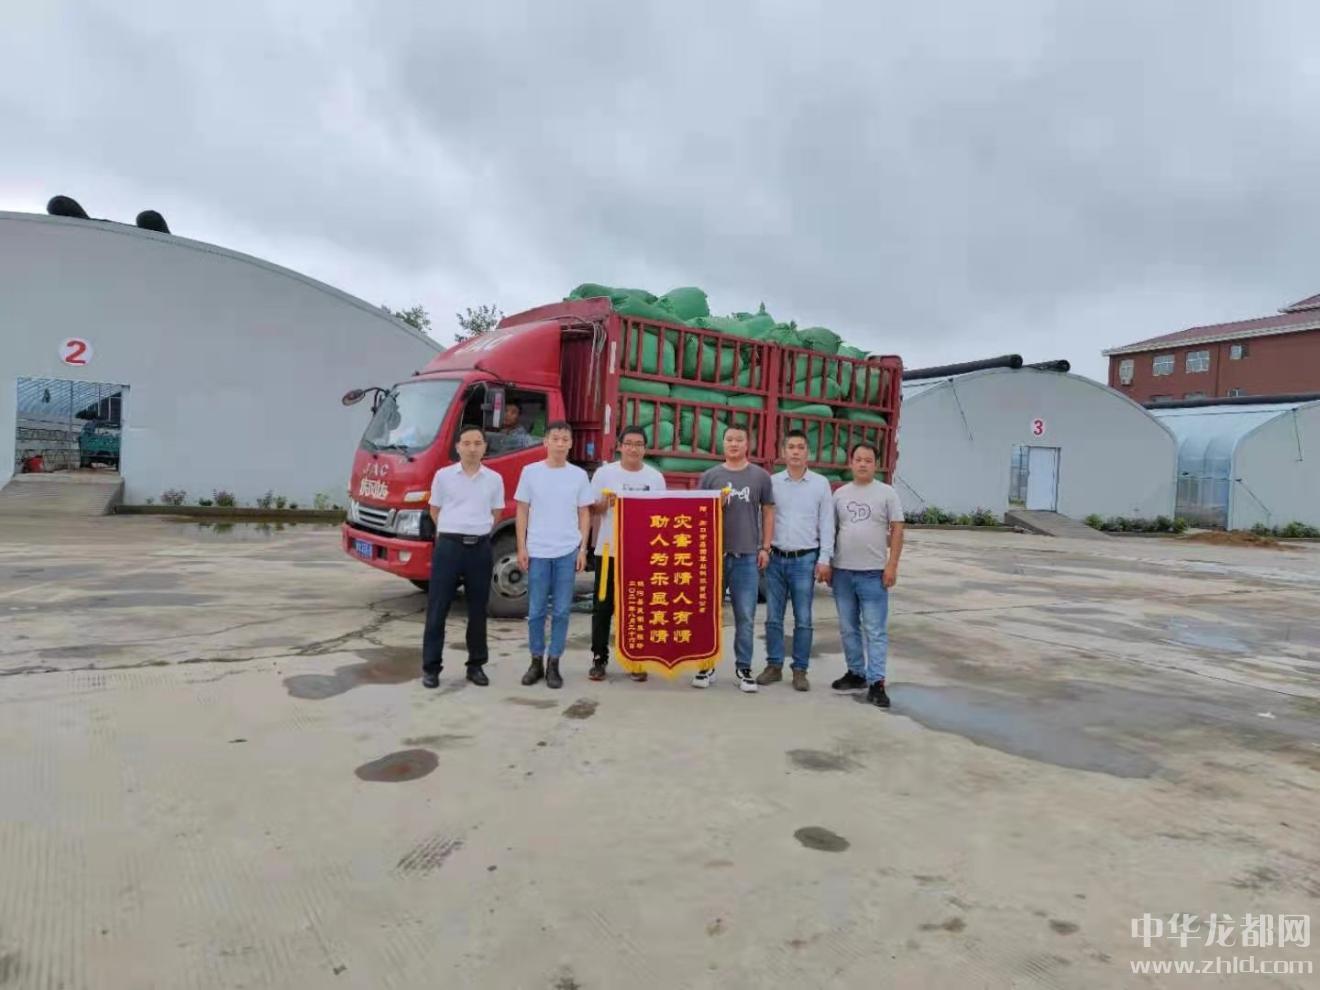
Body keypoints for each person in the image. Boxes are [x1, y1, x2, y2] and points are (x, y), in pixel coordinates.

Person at [421, 425, 505, 689]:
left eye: (477, 443)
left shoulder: (494, 479)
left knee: (478, 610)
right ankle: (431, 668)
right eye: (466, 443)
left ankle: (476, 665)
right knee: (438, 608)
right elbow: (435, 510)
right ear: (457, 447)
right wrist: (453, 529)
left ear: (485, 447)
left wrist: (477, 529)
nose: (472, 448)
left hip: (479, 548)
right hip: (449, 547)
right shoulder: (444, 476)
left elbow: (497, 513)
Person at [515, 420, 594, 689]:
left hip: (567, 551)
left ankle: (554, 663)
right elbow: (522, 510)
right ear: (545, 442)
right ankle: (536, 660)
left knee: (561, 611)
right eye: (555, 438)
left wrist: (582, 549)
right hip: (538, 550)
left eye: (565, 439)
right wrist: (522, 546)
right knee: (536, 610)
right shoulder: (530, 472)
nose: (560, 443)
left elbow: (584, 513)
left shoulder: (578, 475)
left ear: (571, 444)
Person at [697, 425, 775, 693]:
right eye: (729, 439)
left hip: (747, 557)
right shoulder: (710, 476)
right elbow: (696, 514)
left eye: (739, 440)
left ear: (747, 444)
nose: (733, 444)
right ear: (723, 443)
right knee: (708, 615)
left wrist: (765, 547)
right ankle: (706, 665)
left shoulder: (760, 477)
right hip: (714, 557)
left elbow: (768, 512)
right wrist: (713, 506)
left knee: (745, 615)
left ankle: (744, 668)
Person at [757, 429, 834, 692]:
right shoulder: (773, 482)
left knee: (803, 618)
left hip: (805, 559)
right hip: (776, 558)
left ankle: (800, 669)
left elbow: (827, 523)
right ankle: (774, 665)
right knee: (773, 617)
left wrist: (824, 558)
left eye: (801, 447)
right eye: (791, 447)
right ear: (783, 452)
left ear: (807, 452)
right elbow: (764, 518)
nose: (796, 452)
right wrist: (762, 548)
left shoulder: (820, 484)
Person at [829, 441, 904, 708]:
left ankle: (877, 682)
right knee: (848, 627)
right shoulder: (839, 495)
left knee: (874, 630)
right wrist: (828, 564)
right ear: (850, 463)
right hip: (842, 572)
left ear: (876, 465)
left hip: (873, 573)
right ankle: (856, 673)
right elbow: (831, 531)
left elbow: (897, 530)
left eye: (868, 460)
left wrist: (892, 565)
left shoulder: (887, 494)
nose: (862, 464)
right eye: (858, 459)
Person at [589, 426, 666, 682]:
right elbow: (592, 509)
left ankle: (636, 659)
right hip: (608, 551)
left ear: (645, 448)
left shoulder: (655, 478)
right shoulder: (604, 474)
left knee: (636, 606)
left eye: (639, 444)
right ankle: (599, 658)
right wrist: (605, 504)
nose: (633, 448)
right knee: (602, 606)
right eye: (629, 443)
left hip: (640, 554)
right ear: (620, 446)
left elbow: (662, 515)